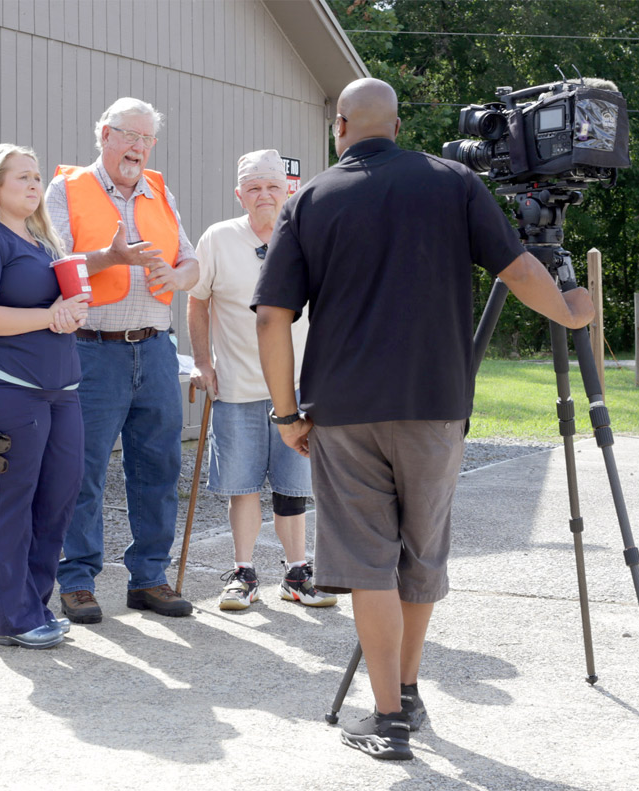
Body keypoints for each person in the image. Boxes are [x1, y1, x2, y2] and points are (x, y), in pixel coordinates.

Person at [252, 78, 595, 760]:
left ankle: (387, 719)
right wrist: (574, 313)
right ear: (399, 125)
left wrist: (285, 412)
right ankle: (406, 687)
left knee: (368, 562)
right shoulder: (454, 183)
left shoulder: (312, 198)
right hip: (437, 403)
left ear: (341, 126)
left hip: (344, 409)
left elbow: (271, 316)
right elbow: (520, 269)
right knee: (421, 553)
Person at [45, 97, 199, 622]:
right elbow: (53, 261)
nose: (138, 147)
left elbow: (190, 257)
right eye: (129, 135)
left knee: (158, 468)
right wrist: (110, 257)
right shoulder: (67, 190)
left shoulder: (159, 189)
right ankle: (78, 579)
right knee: (81, 471)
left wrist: (180, 278)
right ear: (104, 135)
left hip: (156, 350)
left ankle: (149, 578)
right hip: (92, 351)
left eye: (147, 138)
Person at [0, 143, 90, 649]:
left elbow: (58, 307)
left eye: (36, 177)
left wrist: (70, 312)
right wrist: (52, 315)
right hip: (0, 387)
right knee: (11, 498)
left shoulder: (44, 243)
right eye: (21, 177)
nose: (33, 185)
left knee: (58, 496)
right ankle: (15, 617)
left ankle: (34, 604)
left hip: (59, 389)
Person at [188, 149, 336, 612]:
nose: (264, 194)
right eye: (253, 187)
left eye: (272, 185)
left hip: (297, 390)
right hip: (236, 387)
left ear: (288, 189)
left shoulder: (309, 236)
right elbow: (197, 301)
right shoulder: (218, 238)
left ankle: (297, 572)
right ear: (239, 194)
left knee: (293, 487)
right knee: (242, 485)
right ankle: (244, 573)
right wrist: (202, 362)